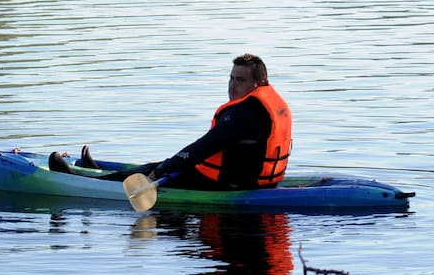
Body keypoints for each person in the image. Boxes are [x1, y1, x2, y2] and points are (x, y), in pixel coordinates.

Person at [51, 53, 292, 191]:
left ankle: (76, 179)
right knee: (158, 165)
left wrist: (163, 170)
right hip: (258, 182)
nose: (232, 85)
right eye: (230, 78)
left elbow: (201, 149)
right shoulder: (267, 104)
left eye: (240, 80)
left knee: (151, 171)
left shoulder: (242, 114)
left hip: (229, 186)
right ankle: (96, 171)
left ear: (259, 83)